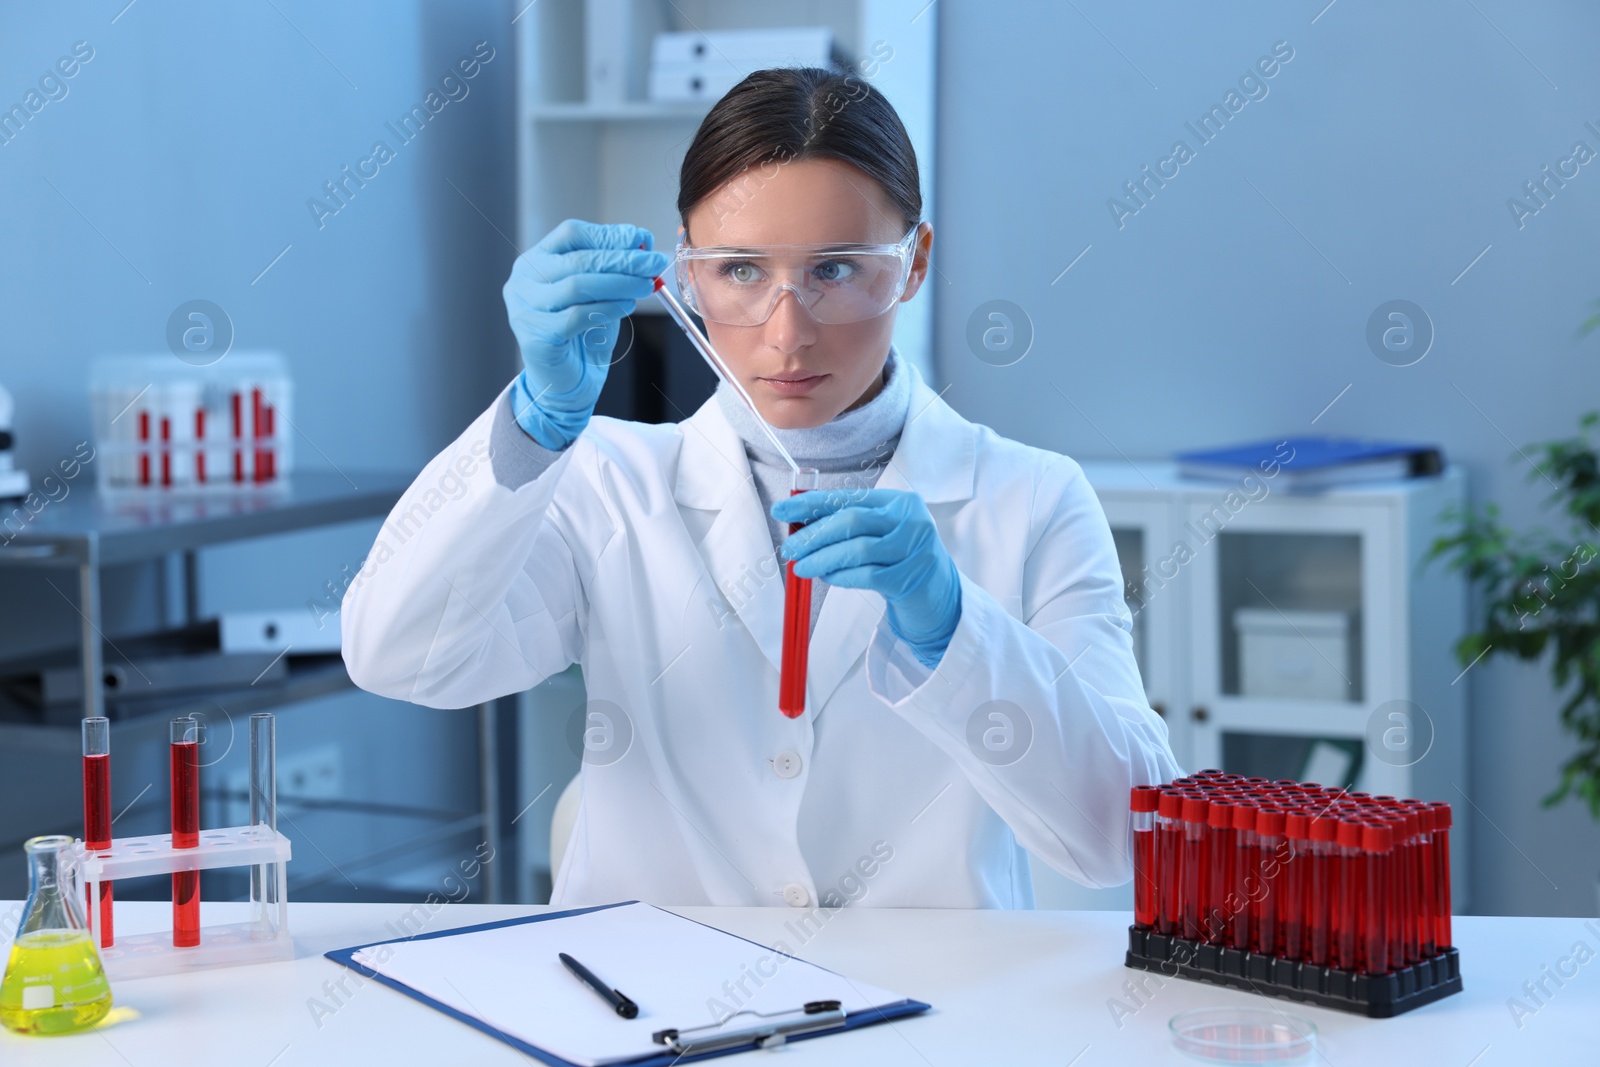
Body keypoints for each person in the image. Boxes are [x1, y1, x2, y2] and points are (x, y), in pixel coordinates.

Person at [343, 67, 1181, 910]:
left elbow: (1128, 834)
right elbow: (398, 656)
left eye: (837, 269)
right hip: (648, 1009)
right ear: (685, 272)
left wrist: (952, 622)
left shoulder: (1031, 499)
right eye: (741, 269)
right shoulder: (606, 481)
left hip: (926, 1015)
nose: (788, 333)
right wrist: (533, 426)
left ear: (915, 261)